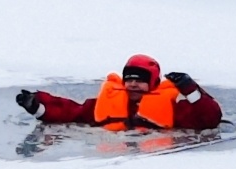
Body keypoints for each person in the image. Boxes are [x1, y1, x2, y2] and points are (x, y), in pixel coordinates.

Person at [15, 54, 222, 131]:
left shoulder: (174, 108)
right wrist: (38, 105)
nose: (132, 84)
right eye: (129, 79)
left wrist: (190, 89)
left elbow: (210, 119)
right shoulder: (110, 102)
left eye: (140, 81)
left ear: (154, 83)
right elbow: (71, 111)